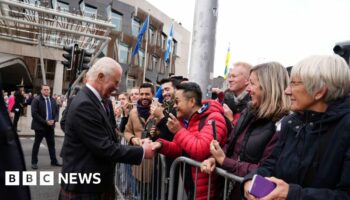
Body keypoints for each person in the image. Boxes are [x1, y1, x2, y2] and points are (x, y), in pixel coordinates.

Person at [242, 55, 350, 200]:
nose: (286, 91)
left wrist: (292, 194)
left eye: (293, 84)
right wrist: (251, 180)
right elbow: (271, 164)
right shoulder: (291, 123)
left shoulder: (345, 130)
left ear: (319, 91)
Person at [59, 57, 154, 200]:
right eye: (115, 82)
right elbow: (103, 147)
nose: (117, 87)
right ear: (101, 77)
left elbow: (106, 134)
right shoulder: (85, 104)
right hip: (86, 188)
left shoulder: (94, 100)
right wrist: (141, 152)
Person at [201, 62, 290, 199]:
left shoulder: (282, 123)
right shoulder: (249, 111)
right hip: (230, 190)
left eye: (252, 83)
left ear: (268, 86)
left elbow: (267, 169)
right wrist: (214, 159)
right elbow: (231, 143)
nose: (248, 89)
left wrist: (224, 161)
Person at [152, 82, 228, 200]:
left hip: (209, 190)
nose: (175, 106)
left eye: (177, 101)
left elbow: (201, 149)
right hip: (193, 185)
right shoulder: (185, 120)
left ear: (192, 102)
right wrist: (161, 145)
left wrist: (178, 131)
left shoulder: (214, 118)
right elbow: (181, 149)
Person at [123, 82, 159, 198]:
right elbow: (127, 132)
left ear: (152, 95)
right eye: (141, 94)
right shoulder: (133, 112)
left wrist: (157, 133)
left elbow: (168, 133)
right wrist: (133, 139)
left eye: (147, 94)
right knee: (139, 193)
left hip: (155, 164)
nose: (144, 97)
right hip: (139, 162)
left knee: (152, 194)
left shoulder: (160, 111)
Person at [30, 85, 61, 169]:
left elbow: (57, 112)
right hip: (40, 127)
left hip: (50, 127)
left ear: (50, 90)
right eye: (45, 89)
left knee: (51, 145)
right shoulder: (36, 100)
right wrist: (45, 122)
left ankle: (54, 161)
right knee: (36, 144)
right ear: (41, 91)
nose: (47, 91)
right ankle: (34, 162)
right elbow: (34, 113)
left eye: (48, 89)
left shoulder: (53, 100)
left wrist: (54, 120)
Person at [212, 62, 251, 127]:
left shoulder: (252, 105)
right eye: (230, 76)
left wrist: (230, 119)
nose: (230, 80)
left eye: (234, 76)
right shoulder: (226, 99)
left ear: (247, 80)